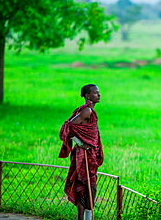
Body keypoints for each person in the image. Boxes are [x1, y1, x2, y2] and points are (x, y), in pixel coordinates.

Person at [59, 84, 103, 220]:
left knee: (86, 187)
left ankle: (86, 218)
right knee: (87, 186)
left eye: (99, 92)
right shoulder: (87, 111)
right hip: (84, 155)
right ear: (88, 96)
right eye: (96, 93)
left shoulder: (89, 111)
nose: (99, 95)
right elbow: (68, 127)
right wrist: (80, 143)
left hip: (90, 154)